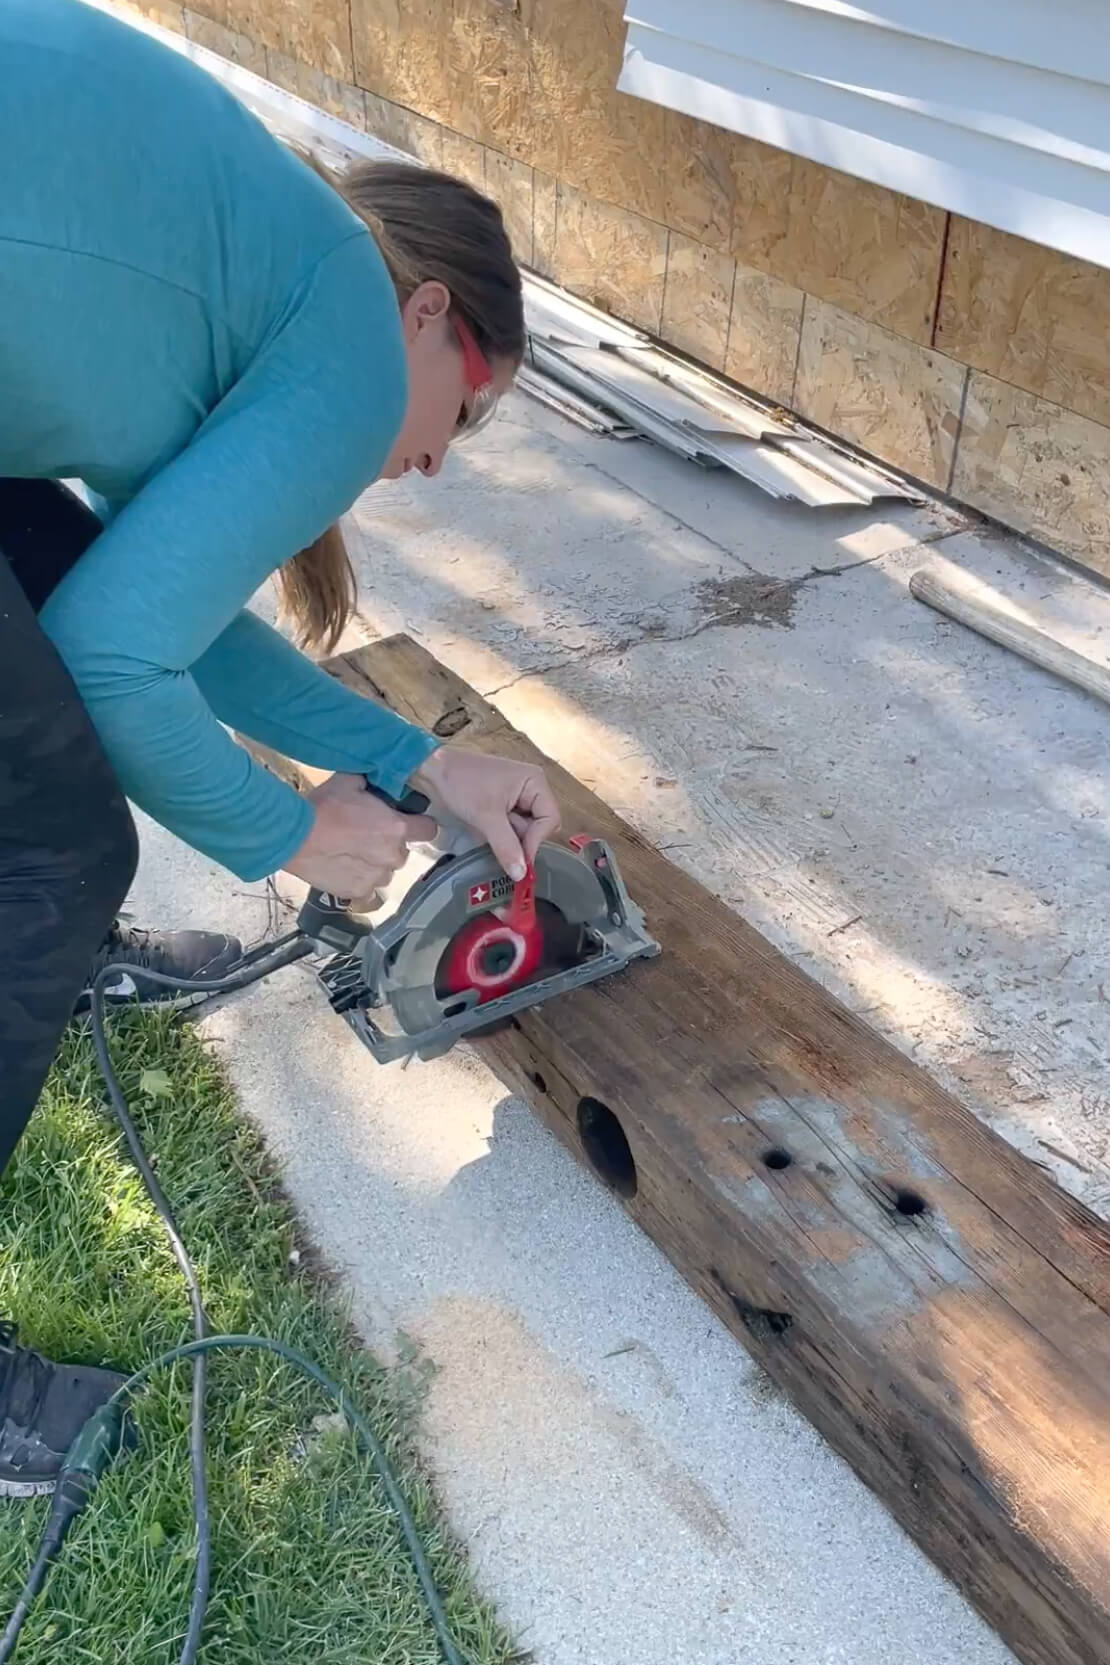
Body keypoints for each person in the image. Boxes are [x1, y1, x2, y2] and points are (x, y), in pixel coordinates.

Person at [0, 0, 560, 1495]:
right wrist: (285, 833)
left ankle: (50, 946)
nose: (435, 456)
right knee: (52, 842)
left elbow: (137, 607)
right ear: (431, 316)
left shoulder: (246, 267)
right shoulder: (342, 344)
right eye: (471, 413)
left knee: (37, 651)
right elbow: (120, 657)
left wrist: (418, 762)